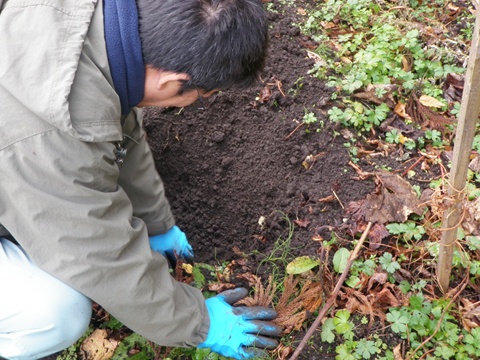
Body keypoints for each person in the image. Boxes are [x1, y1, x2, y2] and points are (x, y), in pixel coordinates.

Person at [0, 0, 282, 359]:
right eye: (202, 96)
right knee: (55, 312)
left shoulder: (101, 31)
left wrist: (155, 223)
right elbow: (97, 256)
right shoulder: (50, 140)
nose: (197, 103)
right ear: (170, 82)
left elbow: (119, 128)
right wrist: (200, 322)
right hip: (18, 153)